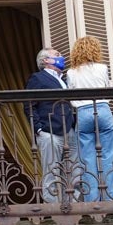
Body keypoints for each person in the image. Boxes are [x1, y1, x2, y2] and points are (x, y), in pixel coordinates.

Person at [65, 36, 113, 202]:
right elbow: (107, 89)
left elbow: (70, 94)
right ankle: (111, 198)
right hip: (102, 109)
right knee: (108, 155)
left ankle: (92, 200)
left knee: (87, 158)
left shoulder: (71, 72)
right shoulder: (102, 68)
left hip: (82, 111)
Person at [25, 47, 74, 203]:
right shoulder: (38, 78)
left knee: (74, 171)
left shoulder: (65, 79)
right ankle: (53, 209)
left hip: (69, 131)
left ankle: (72, 206)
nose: (62, 57)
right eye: (57, 55)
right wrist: (38, 128)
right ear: (45, 60)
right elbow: (29, 104)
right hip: (49, 131)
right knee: (51, 171)